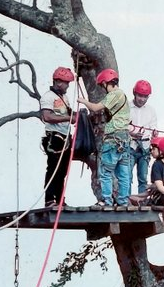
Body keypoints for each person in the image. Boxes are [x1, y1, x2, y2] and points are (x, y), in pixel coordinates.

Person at [78, 68, 132, 209]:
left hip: (113, 138)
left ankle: (107, 201)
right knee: (123, 173)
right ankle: (123, 201)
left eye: (103, 85)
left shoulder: (114, 94)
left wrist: (82, 100)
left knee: (106, 172)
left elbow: (96, 108)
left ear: (106, 83)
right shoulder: (123, 96)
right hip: (125, 139)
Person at [40, 66, 76, 208]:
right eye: (66, 83)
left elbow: (68, 113)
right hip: (54, 137)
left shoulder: (64, 97)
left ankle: (60, 199)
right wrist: (69, 118)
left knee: (62, 171)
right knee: (53, 168)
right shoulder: (48, 97)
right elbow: (47, 116)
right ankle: (49, 199)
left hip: (65, 137)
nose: (67, 86)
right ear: (58, 82)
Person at [128, 78, 158, 195]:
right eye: (140, 96)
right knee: (127, 176)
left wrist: (154, 134)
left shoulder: (151, 110)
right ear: (134, 93)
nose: (142, 99)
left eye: (145, 97)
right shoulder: (127, 107)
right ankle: (126, 200)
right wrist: (132, 133)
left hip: (145, 147)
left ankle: (142, 200)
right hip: (130, 146)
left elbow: (153, 127)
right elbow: (121, 125)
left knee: (143, 177)